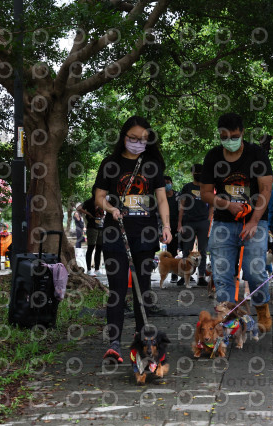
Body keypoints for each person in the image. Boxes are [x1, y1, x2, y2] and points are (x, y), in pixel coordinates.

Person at [94, 115, 172, 363]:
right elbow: (99, 196)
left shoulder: (152, 165)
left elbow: (161, 199)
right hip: (115, 233)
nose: (138, 143)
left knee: (143, 287)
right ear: (124, 136)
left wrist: (166, 225)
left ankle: (142, 340)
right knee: (117, 288)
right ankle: (114, 343)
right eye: (133, 138)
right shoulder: (110, 164)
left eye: (143, 139)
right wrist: (111, 209)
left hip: (145, 234)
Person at [200, 112, 273, 332]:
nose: (229, 140)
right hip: (223, 223)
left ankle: (262, 309)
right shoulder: (213, 157)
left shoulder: (256, 154)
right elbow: (205, 193)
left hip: (255, 221)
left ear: (242, 133)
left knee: (254, 271)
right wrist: (226, 204)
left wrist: (253, 221)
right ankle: (227, 319)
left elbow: (266, 190)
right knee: (222, 274)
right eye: (224, 136)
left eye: (234, 136)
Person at [178, 164, 213, 287]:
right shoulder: (187, 187)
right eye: (196, 172)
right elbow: (182, 206)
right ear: (192, 173)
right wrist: (179, 223)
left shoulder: (207, 188)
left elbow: (212, 205)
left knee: (202, 251)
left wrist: (209, 220)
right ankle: (184, 275)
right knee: (186, 250)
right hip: (189, 222)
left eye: (200, 172)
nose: (198, 174)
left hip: (203, 222)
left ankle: (201, 276)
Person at [78, 186, 105, 276]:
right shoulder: (89, 201)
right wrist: (88, 213)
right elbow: (79, 208)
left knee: (99, 248)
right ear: (94, 191)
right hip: (92, 227)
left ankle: (97, 269)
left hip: (101, 226)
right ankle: (89, 270)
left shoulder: (103, 201)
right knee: (91, 248)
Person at [164, 175, 182, 284]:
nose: (166, 185)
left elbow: (182, 210)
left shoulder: (178, 195)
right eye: (164, 183)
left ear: (171, 183)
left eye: (168, 182)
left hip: (179, 225)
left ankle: (186, 273)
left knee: (184, 248)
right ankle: (174, 274)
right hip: (168, 227)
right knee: (171, 250)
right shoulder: (162, 197)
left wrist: (180, 224)